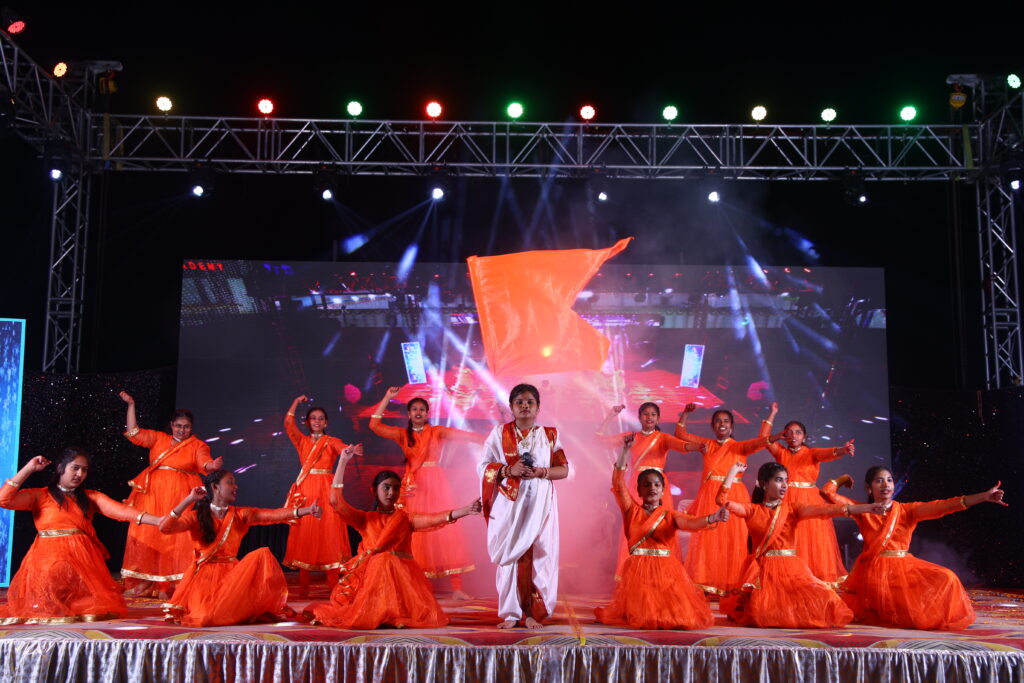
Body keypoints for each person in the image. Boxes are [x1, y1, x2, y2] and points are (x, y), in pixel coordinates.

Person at [309, 446, 481, 629]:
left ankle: (392, 614)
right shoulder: (365, 519)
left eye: (396, 488)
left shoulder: (406, 519)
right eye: (386, 488)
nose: (391, 493)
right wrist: (343, 461)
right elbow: (336, 502)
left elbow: (436, 518)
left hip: (402, 582)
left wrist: (466, 510)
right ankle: (379, 613)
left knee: (388, 561)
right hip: (372, 581)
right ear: (374, 490)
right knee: (382, 561)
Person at [821, 467, 1006, 630]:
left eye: (889, 480)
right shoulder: (862, 510)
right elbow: (827, 493)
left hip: (902, 568)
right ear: (869, 488)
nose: (885, 484)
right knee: (891, 615)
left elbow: (944, 506)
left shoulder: (907, 510)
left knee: (947, 577)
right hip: (872, 573)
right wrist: (842, 479)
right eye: (879, 481)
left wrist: (983, 497)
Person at [0, 449, 163, 624]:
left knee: (90, 603)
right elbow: (4, 499)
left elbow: (122, 511)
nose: (80, 474)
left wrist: (159, 520)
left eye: (84, 470)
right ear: (61, 468)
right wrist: (29, 468)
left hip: (82, 559)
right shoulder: (40, 495)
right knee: (51, 584)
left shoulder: (90, 497)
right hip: (48, 558)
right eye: (75, 468)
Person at [715, 462, 886, 628]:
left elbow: (827, 510)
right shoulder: (752, 510)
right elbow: (722, 500)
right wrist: (732, 472)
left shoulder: (792, 509)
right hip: (763, 572)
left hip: (792, 570)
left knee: (826, 602)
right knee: (761, 612)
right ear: (764, 484)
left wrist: (867, 508)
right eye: (779, 480)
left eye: (786, 481)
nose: (784, 485)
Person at [595, 435, 726, 630]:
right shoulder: (631, 510)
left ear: (663, 490)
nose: (652, 488)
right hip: (638, 571)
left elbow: (690, 523)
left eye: (657, 485)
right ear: (639, 491)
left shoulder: (670, 515)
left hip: (666, 570)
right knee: (644, 617)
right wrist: (625, 451)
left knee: (679, 619)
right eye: (646, 485)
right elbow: (618, 483)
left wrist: (712, 518)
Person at [159, 470, 320, 626]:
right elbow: (165, 528)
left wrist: (307, 510)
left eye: (235, 483)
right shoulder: (196, 516)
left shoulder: (240, 514)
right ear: (215, 487)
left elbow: (273, 515)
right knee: (205, 617)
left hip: (234, 576)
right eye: (230, 482)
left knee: (262, 555)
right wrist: (189, 500)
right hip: (204, 578)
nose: (235, 486)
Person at [369, 387, 484, 598]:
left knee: (446, 530)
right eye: (414, 409)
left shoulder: (436, 432)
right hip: (414, 487)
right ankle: (417, 585)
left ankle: (456, 588)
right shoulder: (402, 435)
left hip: (436, 485)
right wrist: (387, 397)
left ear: (427, 413)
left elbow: (462, 435)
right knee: (415, 533)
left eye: (422, 409)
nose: (418, 412)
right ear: (408, 413)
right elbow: (374, 426)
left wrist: (486, 437)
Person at [479, 383, 569, 629]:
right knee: (510, 554)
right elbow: (483, 466)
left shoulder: (549, 435)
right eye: (519, 402)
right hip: (509, 505)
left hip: (541, 505)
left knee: (539, 553)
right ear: (511, 407)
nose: (525, 406)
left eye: (530, 402)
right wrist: (509, 470)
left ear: (538, 407)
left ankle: (532, 613)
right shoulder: (499, 433)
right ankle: (511, 612)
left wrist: (541, 472)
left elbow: (563, 470)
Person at [119, 391, 221, 597]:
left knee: (175, 537)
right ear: (172, 425)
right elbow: (133, 433)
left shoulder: (197, 445)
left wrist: (212, 466)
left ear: (191, 428)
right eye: (178, 426)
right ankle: (148, 582)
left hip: (179, 496)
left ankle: (169, 585)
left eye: (186, 427)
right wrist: (131, 405)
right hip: (153, 494)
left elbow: (204, 462)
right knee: (149, 534)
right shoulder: (158, 438)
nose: (182, 430)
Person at [673, 402, 778, 596]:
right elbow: (680, 434)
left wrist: (775, 428)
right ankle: (707, 580)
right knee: (709, 537)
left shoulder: (740, 447)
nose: (722, 424)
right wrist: (685, 414)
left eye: (726, 421)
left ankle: (733, 581)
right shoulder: (706, 445)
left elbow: (761, 441)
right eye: (718, 421)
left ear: (732, 426)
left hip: (734, 495)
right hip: (710, 496)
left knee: (734, 538)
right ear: (713, 426)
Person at [283, 395, 361, 598]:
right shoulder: (302, 441)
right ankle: (304, 589)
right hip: (306, 490)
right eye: (313, 418)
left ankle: (334, 587)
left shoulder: (331, 441)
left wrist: (351, 450)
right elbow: (288, 424)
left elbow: (343, 448)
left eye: (320, 418)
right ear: (308, 422)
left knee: (330, 531)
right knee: (306, 533)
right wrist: (295, 402)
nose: (317, 421)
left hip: (327, 489)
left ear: (326, 423)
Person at [766, 420, 854, 586]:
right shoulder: (781, 453)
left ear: (804, 436)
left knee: (811, 540)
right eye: (789, 432)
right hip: (786, 501)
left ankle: (813, 580)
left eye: (798, 432)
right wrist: (772, 417)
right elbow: (764, 439)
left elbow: (828, 453)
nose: (793, 435)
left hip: (809, 501)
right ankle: (790, 577)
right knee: (788, 539)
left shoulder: (812, 453)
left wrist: (843, 450)